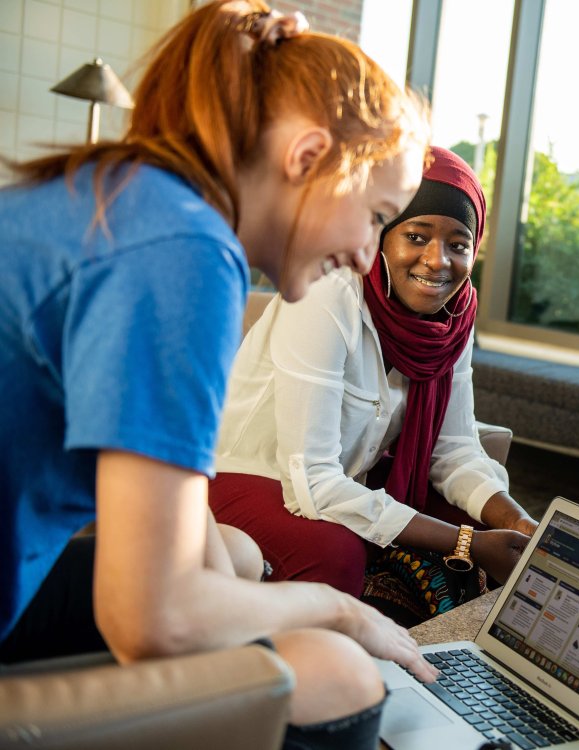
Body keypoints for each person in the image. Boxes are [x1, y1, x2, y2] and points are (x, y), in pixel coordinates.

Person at [0, 2, 438, 747]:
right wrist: (340, 610)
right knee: (335, 671)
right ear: (305, 159)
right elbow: (155, 620)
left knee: (235, 553)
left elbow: (193, 534)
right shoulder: (184, 253)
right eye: (376, 216)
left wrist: (250, 605)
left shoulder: (127, 196)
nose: (370, 257)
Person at [210, 146, 536, 626]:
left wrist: (520, 523)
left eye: (458, 244)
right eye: (417, 236)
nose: (436, 261)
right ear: (381, 236)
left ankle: (453, 668)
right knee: (334, 553)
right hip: (250, 476)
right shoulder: (325, 291)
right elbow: (313, 482)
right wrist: (467, 543)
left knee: (482, 521)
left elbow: (453, 451)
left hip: (346, 479)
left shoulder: (453, 317)